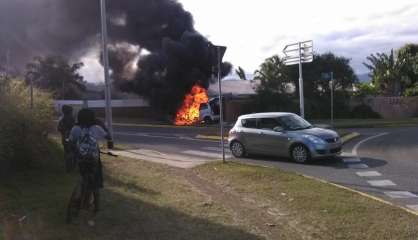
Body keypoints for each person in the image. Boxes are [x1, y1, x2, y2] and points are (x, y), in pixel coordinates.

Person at [68, 108, 111, 224]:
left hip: (81, 159)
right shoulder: (96, 128)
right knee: (95, 183)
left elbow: (71, 142)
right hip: (93, 160)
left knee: (83, 178)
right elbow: (108, 136)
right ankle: (96, 207)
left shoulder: (75, 128)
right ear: (93, 118)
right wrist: (101, 124)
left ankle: (79, 200)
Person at [57, 105, 75, 172]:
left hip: (65, 138)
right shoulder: (71, 119)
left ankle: (69, 166)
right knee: (71, 152)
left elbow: (59, 128)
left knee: (67, 152)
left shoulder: (62, 119)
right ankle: (70, 167)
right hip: (70, 138)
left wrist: (63, 131)